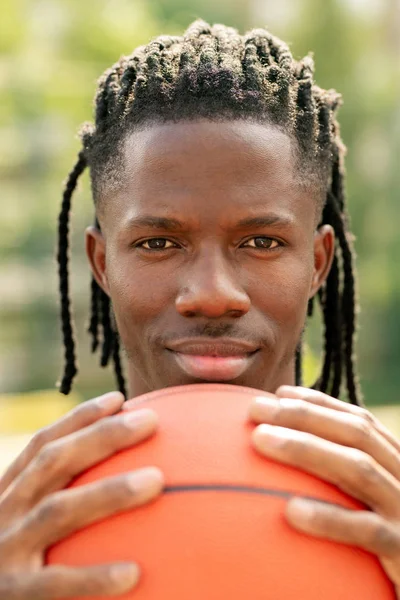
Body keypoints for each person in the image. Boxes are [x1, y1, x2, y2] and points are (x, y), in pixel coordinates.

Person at [1, 19, 400, 598]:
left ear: (318, 263)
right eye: (158, 243)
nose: (213, 294)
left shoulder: (385, 513)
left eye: (261, 242)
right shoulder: (26, 535)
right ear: (101, 263)